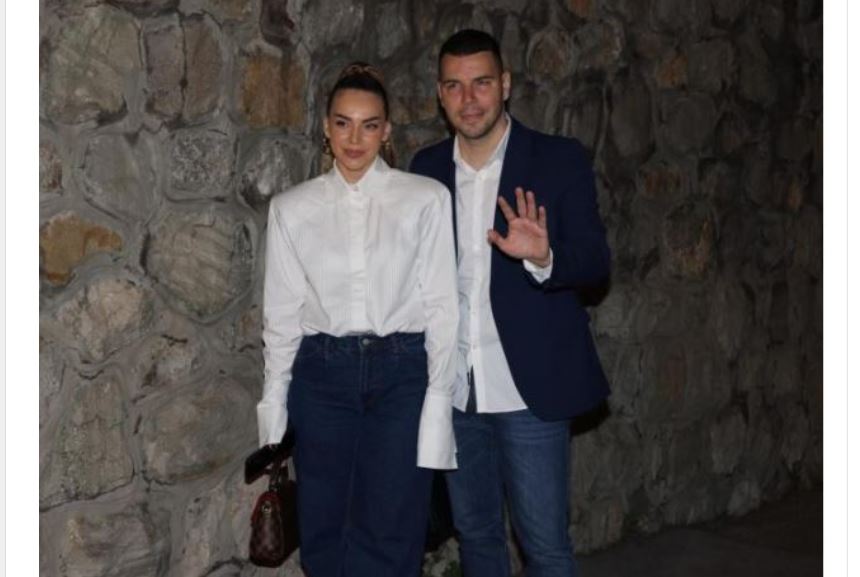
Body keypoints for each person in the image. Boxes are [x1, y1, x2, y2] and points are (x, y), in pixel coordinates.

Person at [410, 30, 611, 577]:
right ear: (440, 94)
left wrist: (545, 256)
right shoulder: (425, 171)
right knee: (476, 537)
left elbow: (595, 261)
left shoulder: (557, 160)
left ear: (505, 85)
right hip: (455, 387)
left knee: (545, 547)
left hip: (528, 388)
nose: (468, 99)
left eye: (481, 83)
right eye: (454, 86)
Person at [256, 62, 459, 577]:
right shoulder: (291, 208)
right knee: (324, 523)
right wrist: (273, 403)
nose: (354, 138)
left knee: (394, 521)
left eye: (369, 125)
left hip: (402, 372)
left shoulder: (426, 199)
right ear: (326, 127)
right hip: (322, 373)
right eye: (343, 123)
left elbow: (442, 305)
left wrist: (439, 399)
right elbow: (281, 315)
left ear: (386, 131)